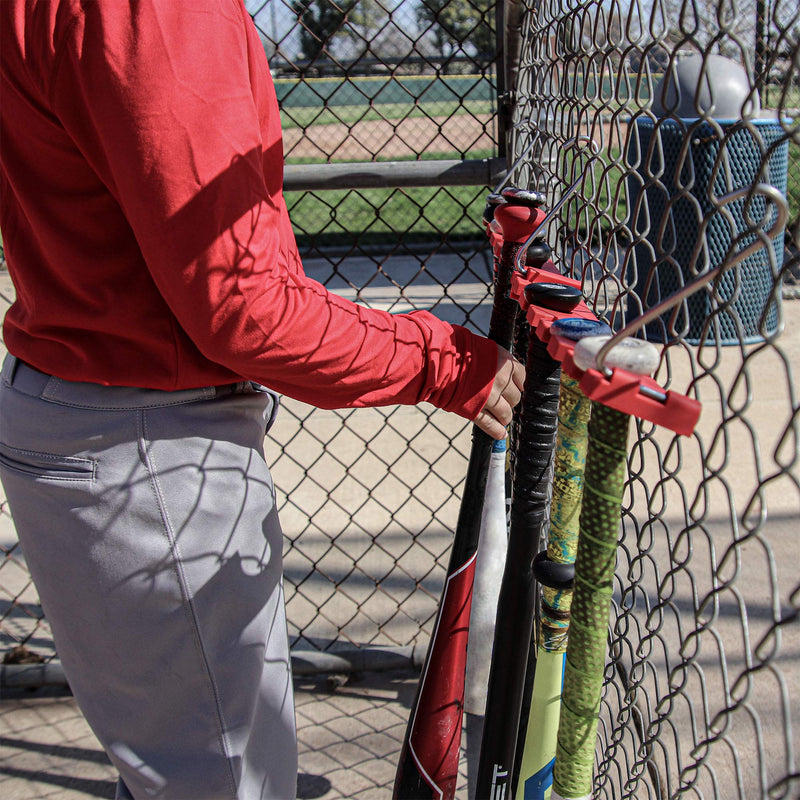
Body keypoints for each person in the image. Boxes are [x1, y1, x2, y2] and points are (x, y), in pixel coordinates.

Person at [0, 1, 525, 798]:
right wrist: (443, 359)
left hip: (88, 415)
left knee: (180, 769)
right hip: (148, 444)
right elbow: (242, 306)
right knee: (226, 782)